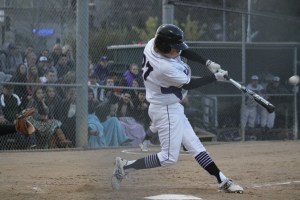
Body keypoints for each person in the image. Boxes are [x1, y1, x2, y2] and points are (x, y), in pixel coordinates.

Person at [111, 24, 243, 193]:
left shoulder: (154, 44)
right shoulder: (164, 68)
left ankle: (222, 180)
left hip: (171, 106)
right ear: (165, 48)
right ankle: (126, 166)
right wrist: (214, 77)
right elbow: (190, 83)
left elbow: (182, 50)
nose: (178, 51)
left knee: (195, 145)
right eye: (174, 48)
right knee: (168, 158)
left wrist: (207, 62)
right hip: (164, 109)